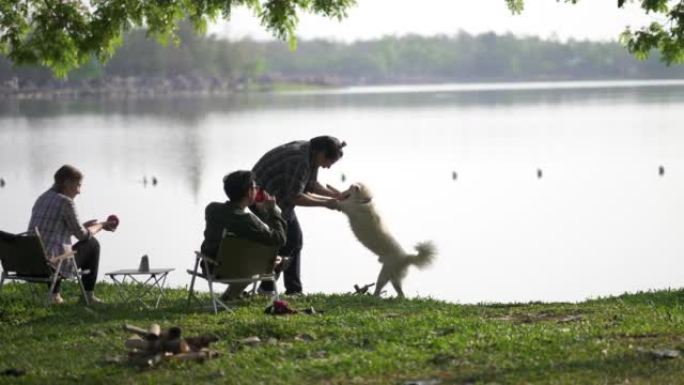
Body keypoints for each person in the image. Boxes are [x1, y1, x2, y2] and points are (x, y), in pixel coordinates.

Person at [252, 135, 347, 295]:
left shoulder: (312, 153)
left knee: (294, 239)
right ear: (321, 153)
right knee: (287, 240)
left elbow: (309, 186)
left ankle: (292, 289)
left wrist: (335, 195)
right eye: (329, 161)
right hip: (259, 196)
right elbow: (295, 197)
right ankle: (268, 288)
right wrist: (326, 203)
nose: (328, 167)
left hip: (280, 194)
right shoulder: (300, 160)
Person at [27, 165, 117, 305]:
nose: (79, 191)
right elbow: (82, 236)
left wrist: (82, 226)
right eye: (78, 185)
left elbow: (53, 231)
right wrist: (101, 225)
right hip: (50, 265)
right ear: (66, 183)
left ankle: (55, 296)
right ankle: (88, 296)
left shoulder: (42, 198)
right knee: (92, 244)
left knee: (53, 247)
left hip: (31, 263)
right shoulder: (66, 202)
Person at [200, 170, 287, 300]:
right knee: (273, 260)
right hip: (242, 270)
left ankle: (230, 296)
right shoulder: (248, 221)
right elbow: (279, 239)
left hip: (212, 268)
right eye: (255, 187)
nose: (257, 189)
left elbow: (233, 218)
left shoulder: (212, 209)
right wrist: (272, 211)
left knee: (247, 257)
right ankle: (233, 294)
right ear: (248, 192)